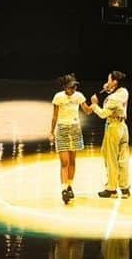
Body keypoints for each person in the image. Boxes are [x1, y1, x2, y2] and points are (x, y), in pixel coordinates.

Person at [50, 73, 92, 203]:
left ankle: (69, 186)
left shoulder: (79, 96)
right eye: (71, 87)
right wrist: (51, 132)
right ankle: (63, 190)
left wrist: (94, 104)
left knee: (72, 161)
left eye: (74, 87)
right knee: (65, 162)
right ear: (65, 87)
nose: (73, 89)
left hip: (75, 129)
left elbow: (87, 110)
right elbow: (55, 116)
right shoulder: (58, 97)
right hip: (62, 129)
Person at [91, 70, 130, 198]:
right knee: (123, 158)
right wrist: (108, 88)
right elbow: (111, 93)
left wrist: (95, 105)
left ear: (115, 81)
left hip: (113, 127)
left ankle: (111, 188)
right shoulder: (124, 91)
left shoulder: (113, 98)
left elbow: (103, 114)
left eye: (109, 80)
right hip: (123, 127)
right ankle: (125, 188)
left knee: (111, 158)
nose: (107, 82)